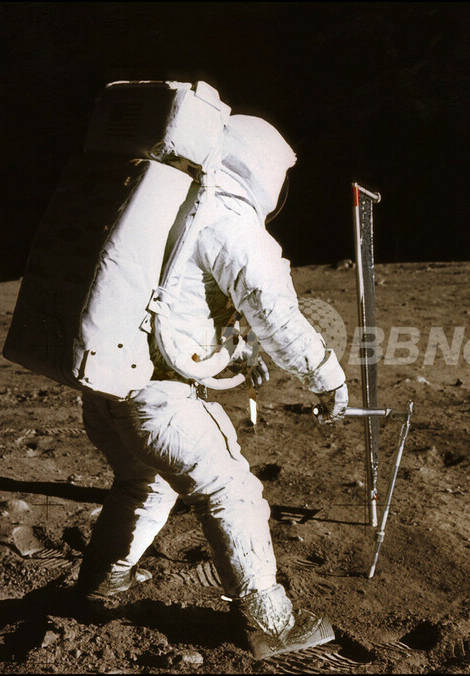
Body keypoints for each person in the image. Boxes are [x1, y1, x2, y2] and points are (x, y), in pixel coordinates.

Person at [74, 114, 349, 660]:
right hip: (158, 400)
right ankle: (270, 623)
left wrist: (236, 353)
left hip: (106, 387)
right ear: (263, 170)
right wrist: (326, 377)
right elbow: (275, 314)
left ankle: (102, 581)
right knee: (233, 492)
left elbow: (173, 302)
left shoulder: (165, 201)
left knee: (144, 483)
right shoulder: (231, 221)